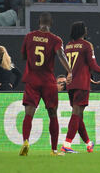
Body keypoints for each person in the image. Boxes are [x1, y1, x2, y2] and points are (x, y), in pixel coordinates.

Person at [61, 21, 100, 153]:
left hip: (71, 84)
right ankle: (66, 144)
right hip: (81, 84)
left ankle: (88, 143)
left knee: (78, 115)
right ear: (82, 31)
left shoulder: (68, 46)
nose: (87, 30)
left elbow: (74, 66)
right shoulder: (86, 45)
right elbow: (93, 65)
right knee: (76, 113)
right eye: (85, 28)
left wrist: (89, 77)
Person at [20, 12, 72, 156]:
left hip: (32, 80)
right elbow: (61, 55)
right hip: (48, 81)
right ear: (51, 23)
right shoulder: (55, 39)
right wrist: (70, 71)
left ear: (39, 22)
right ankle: (54, 150)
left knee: (29, 113)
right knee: (52, 114)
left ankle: (25, 141)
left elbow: (23, 56)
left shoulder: (29, 37)